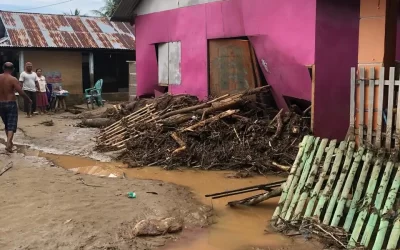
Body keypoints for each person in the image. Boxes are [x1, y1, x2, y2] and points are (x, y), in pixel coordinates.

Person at [0, 62, 32, 152]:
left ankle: (9, 142)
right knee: (11, 124)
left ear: (3, 68)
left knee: (6, 123)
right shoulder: (13, 79)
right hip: (11, 103)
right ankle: (9, 142)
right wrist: (28, 99)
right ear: (13, 69)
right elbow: (20, 92)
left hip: (0, 103)